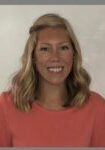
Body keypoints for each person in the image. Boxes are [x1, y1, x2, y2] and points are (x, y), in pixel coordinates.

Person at [0, 13, 105, 147]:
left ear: (74, 55)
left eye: (63, 48)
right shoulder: (5, 107)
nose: (55, 57)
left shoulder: (97, 108)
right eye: (45, 49)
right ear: (33, 57)